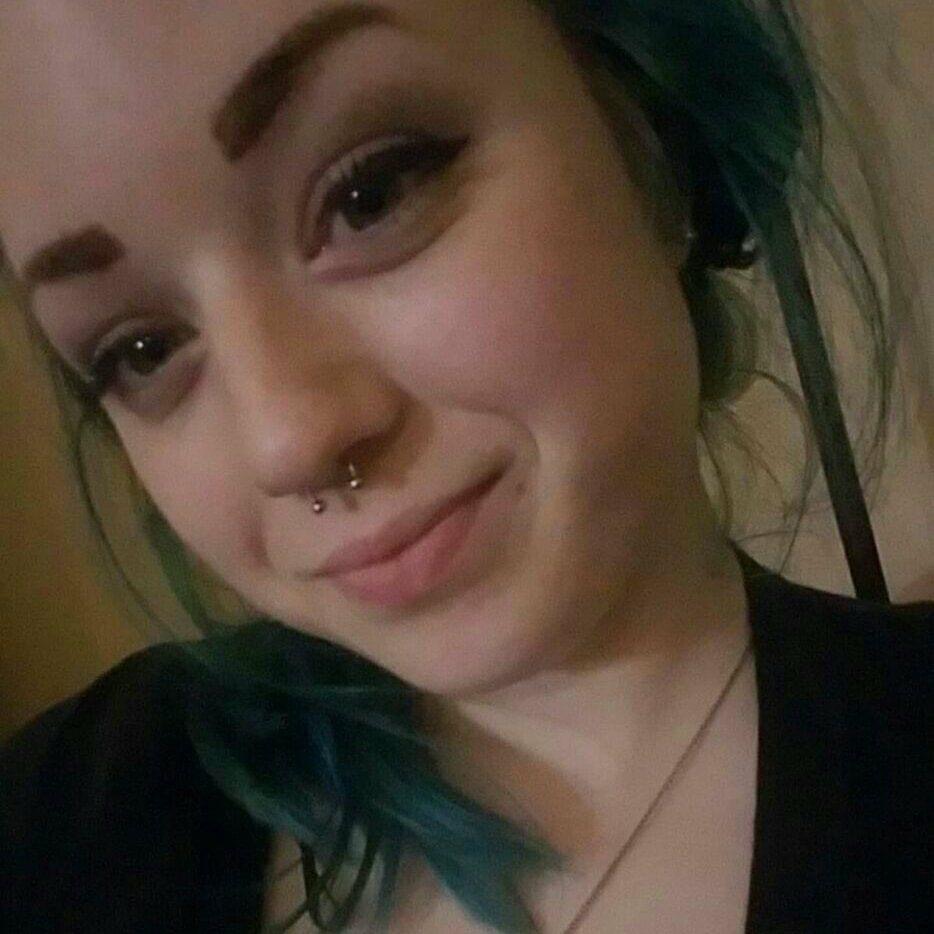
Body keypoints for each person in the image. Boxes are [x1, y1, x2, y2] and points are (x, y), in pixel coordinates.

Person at [0, 1, 930, 932]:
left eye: (370, 194)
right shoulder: (67, 812)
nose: (287, 440)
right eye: (143, 350)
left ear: (646, 128)